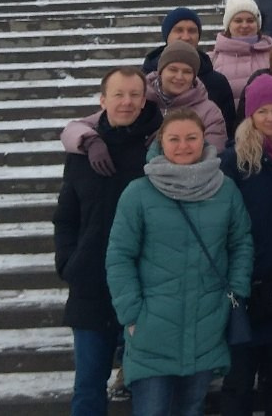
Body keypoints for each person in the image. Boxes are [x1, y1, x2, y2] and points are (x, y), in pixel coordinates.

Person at [106, 109, 254, 416]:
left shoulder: (224, 189)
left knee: (192, 408)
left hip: (207, 323)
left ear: (204, 140)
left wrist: (234, 293)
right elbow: (119, 256)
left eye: (191, 138)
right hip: (151, 329)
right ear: (161, 142)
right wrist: (132, 314)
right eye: (174, 139)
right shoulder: (138, 193)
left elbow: (241, 243)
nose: (183, 146)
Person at [54, 67, 162, 416]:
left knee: (149, 390)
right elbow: (66, 216)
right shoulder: (82, 153)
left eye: (134, 95)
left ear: (144, 101)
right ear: (103, 100)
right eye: (118, 94)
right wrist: (68, 262)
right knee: (88, 386)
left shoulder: (158, 149)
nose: (127, 102)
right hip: (91, 285)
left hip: (144, 288)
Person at [219, 75, 272, 416]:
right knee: (239, 379)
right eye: (262, 111)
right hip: (246, 285)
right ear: (250, 115)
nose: (270, 118)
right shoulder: (234, 161)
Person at [63, 41, 229, 157]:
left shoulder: (208, 111)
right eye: (173, 69)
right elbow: (74, 128)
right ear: (161, 71)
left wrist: (171, 140)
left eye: (187, 72)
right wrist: (90, 141)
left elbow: (213, 152)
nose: (179, 77)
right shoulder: (139, 101)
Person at [143, 7, 237, 128]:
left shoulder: (217, 83)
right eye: (179, 30)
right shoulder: (145, 80)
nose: (186, 37)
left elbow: (228, 130)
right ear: (167, 35)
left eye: (192, 31)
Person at [211, 0, 272, 100]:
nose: (244, 25)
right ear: (228, 25)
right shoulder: (213, 59)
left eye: (250, 20)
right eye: (238, 21)